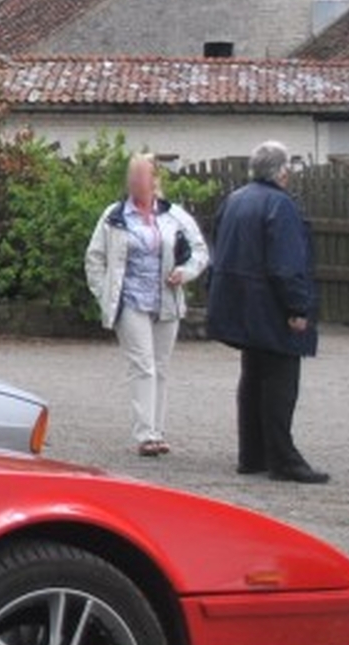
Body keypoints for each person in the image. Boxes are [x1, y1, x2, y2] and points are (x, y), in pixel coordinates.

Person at [206, 140, 328, 484]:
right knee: (280, 381)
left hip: (239, 303)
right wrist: (297, 306)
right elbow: (286, 264)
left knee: (252, 377)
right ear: (282, 172)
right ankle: (283, 459)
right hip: (270, 306)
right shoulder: (281, 206)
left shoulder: (234, 199)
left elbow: (218, 250)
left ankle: (252, 454)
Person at [83, 152, 209, 458]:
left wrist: (186, 272)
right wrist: (106, 295)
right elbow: (94, 259)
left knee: (161, 367)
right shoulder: (114, 216)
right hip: (131, 302)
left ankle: (158, 429)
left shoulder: (174, 215)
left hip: (166, 299)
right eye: (133, 176)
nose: (137, 182)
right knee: (143, 365)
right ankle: (146, 434)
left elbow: (200, 251)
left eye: (143, 176)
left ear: (155, 180)